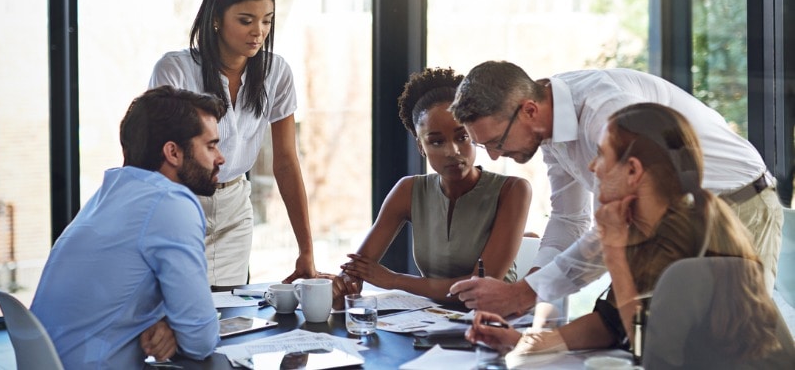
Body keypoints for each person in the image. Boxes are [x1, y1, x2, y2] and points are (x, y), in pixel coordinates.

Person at [466, 103, 794, 368]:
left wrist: (613, 252)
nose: (592, 167)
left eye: (603, 154)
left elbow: (647, 352)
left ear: (633, 171)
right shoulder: (652, 230)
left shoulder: (691, 250)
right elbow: (612, 322)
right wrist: (521, 341)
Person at [448, 61, 784, 317]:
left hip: (735, 204)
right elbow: (568, 218)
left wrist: (523, 293)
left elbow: (618, 224)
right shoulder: (546, 127)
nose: (493, 155)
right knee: (628, 329)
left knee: (725, 343)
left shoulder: (606, 112)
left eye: (495, 142)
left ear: (529, 110)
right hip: (673, 217)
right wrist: (528, 291)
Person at [31, 86, 224, 367]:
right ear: (173, 152)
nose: (221, 158)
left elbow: (120, 290)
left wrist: (165, 322)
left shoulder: (113, 193)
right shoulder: (170, 203)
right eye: (210, 145)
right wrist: (176, 327)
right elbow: (201, 340)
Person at [149, 0, 315, 287]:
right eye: (245, 20)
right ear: (216, 19)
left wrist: (305, 250)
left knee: (231, 315)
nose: (259, 32)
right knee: (182, 312)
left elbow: (285, 161)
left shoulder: (276, 73)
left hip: (235, 206)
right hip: (181, 204)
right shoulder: (175, 70)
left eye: (266, 21)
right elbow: (153, 161)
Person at [331, 67, 531, 305]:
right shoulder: (408, 191)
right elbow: (358, 267)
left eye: (462, 136)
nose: (452, 151)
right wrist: (345, 281)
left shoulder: (513, 190)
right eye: (436, 141)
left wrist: (395, 280)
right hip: (430, 323)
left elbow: (481, 285)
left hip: (493, 325)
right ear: (420, 146)